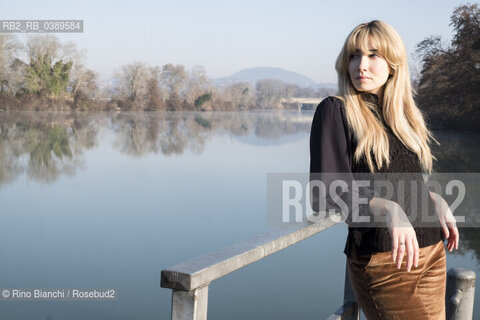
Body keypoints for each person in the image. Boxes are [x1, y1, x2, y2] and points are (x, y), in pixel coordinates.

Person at [309, 20, 459, 319]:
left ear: (393, 64)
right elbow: (326, 191)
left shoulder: (402, 115)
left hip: (431, 251)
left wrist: (430, 198)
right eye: (354, 55)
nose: (361, 65)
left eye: (373, 55)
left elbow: (394, 178)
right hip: (385, 262)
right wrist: (386, 208)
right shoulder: (336, 109)